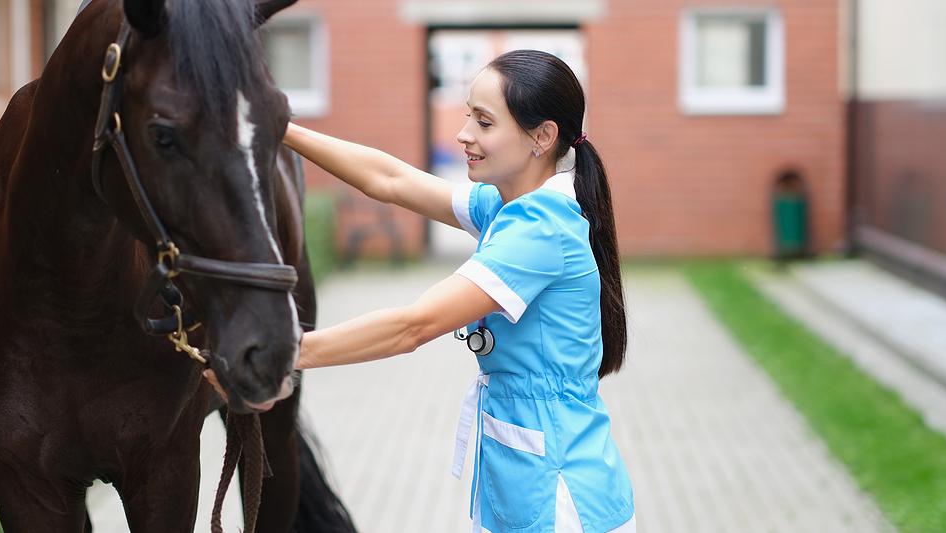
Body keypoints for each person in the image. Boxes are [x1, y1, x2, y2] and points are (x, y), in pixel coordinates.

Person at [210, 49, 635, 532]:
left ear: (542, 136)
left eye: (484, 122)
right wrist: (279, 128)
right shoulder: (509, 204)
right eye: (467, 115)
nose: (463, 134)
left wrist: (284, 356)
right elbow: (388, 179)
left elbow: (413, 326)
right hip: (523, 483)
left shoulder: (541, 229)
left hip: (561, 501)